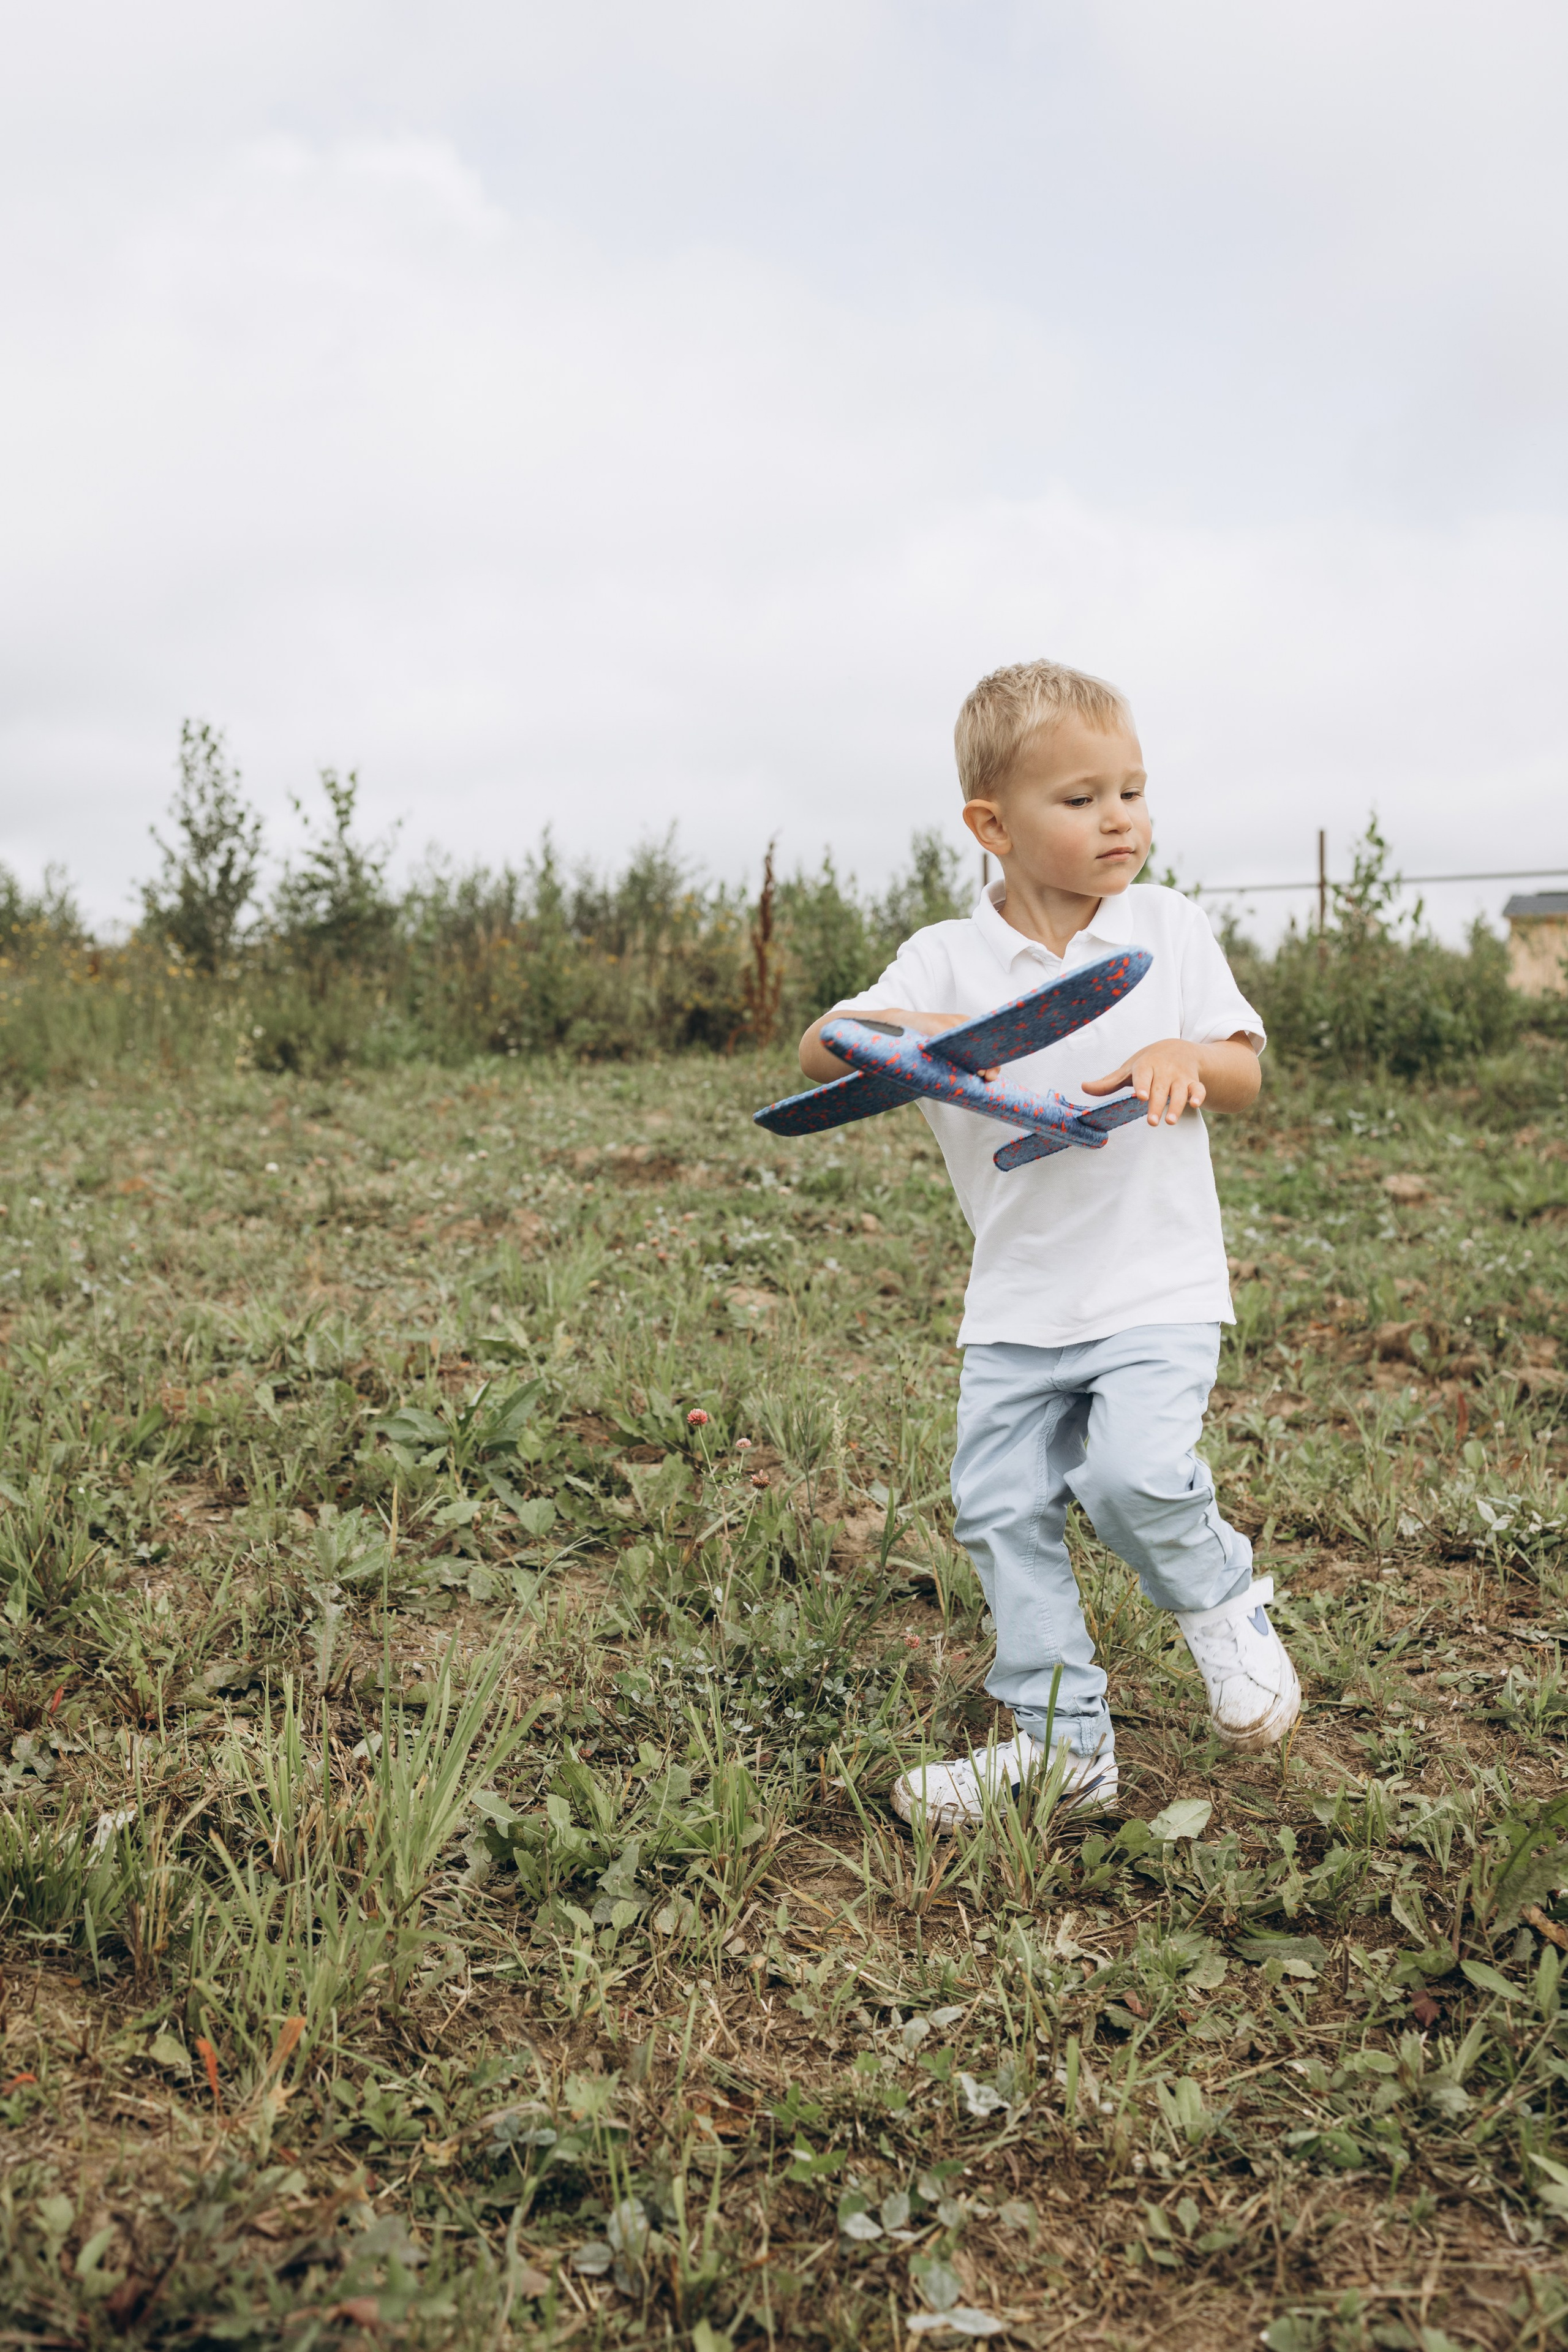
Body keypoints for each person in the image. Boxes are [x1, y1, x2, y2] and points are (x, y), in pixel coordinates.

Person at [797, 659, 1300, 1830]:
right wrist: (921, 1031)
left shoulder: (1166, 927)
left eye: (1132, 789)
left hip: (1156, 1283)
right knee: (1000, 1511)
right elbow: (824, 1049)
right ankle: (1061, 1745)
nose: (1120, 816)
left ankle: (1221, 1600)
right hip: (1018, 1300)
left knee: (1130, 1476)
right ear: (992, 825)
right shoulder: (946, 959)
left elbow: (1244, 1066)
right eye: (1080, 799)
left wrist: (1186, 1059)